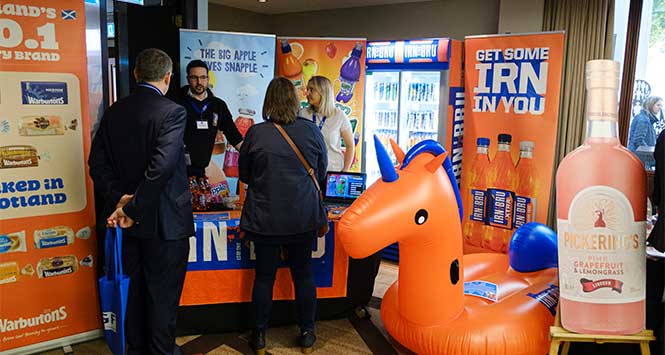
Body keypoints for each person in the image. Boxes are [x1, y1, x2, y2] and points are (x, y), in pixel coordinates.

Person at [89, 48, 193, 355]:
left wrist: (120, 200)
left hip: (125, 225)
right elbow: (161, 168)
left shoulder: (114, 111)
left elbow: (97, 164)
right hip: (164, 227)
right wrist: (131, 208)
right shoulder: (173, 112)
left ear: (135, 74)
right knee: (162, 303)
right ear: (168, 77)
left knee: (131, 300)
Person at [239, 77, 328, 355]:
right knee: (303, 275)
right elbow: (322, 172)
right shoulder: (311, 131)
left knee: (264, 277)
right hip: (302, 218)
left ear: (268, 101)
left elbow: (244, 175)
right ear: (294, 100)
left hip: (265, 219)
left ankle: (260, 336)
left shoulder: (256, 134)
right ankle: (307, 333)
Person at [173, 59, 243, 178]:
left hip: (203, 171)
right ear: (188, 78)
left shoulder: (218, 105)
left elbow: (233, 135)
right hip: (177, 170)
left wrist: (251, 154)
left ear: (208, 79)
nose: (199, 82)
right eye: (194, 77)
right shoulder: (176, 103)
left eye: (203, 77)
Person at [299, 75, 355, 172]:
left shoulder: (339, 116)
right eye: (307, 89)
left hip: (332, 174)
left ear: (323, 93)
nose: (307, 93)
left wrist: (345, 170)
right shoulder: (302, 114)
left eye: (311, 90)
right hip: (309, 174)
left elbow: (350, 146)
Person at [629, 96, 663, 169]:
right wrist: (651, 154)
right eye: (658, 105)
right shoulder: (643, 120)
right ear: (651, 105)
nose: (660, 108)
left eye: (661, 105)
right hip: (641, 161)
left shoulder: (645, 119)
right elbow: (638, 141)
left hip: (640, 161)